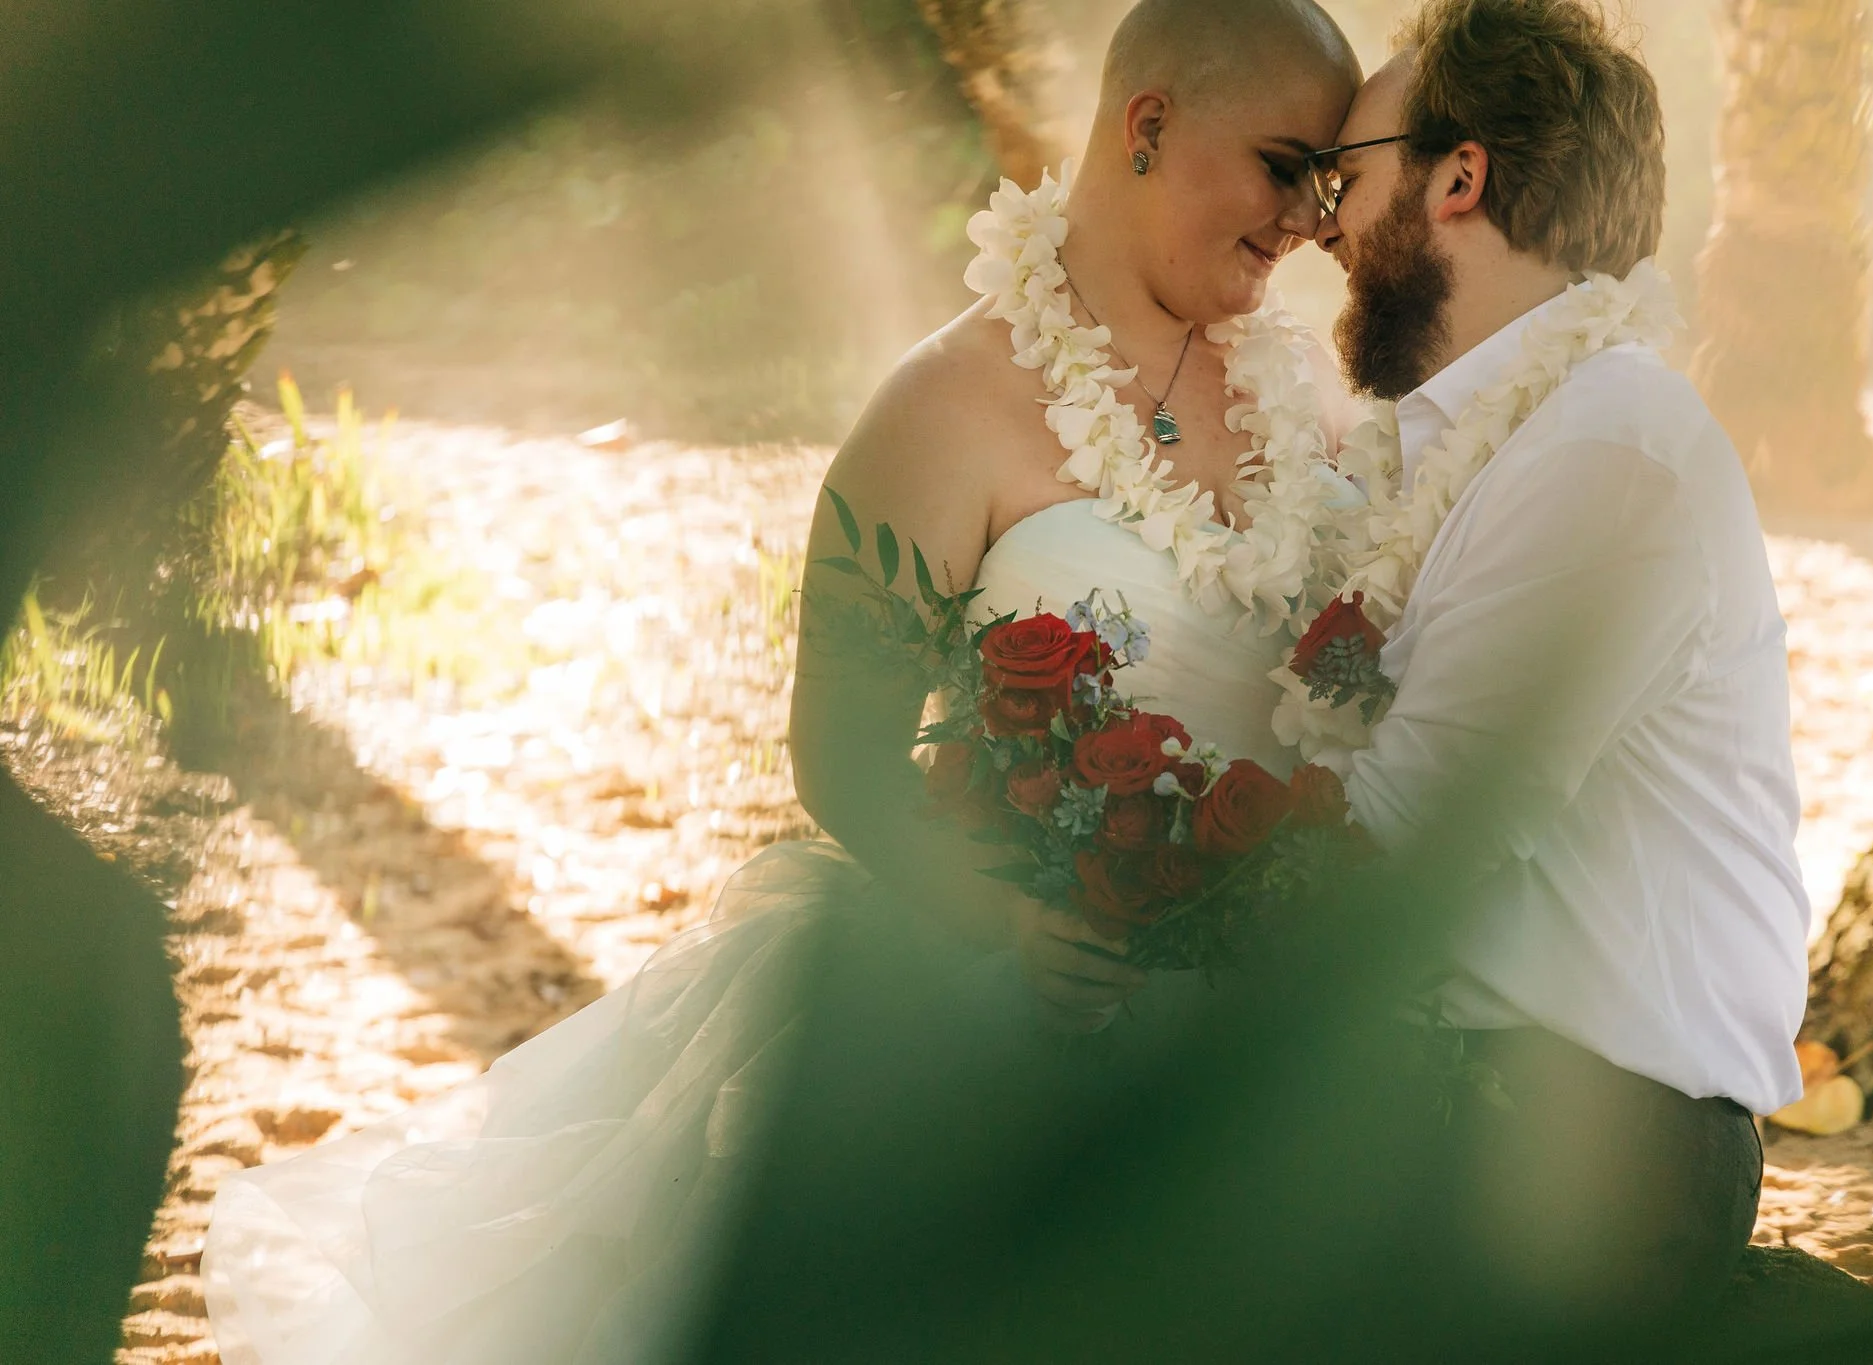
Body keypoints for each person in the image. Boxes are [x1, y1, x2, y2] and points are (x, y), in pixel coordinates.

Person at [198, 3, 1363, 1360]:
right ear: (1148, 123)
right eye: (1286, 166)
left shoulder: (1323, 406)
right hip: (1013, 1015)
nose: (1309, 220)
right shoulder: (944, 410)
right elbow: (846, 753)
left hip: (1262, 1045)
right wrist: (1013, 923)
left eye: (1330, 184)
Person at [1306, 0, 1807, 1322]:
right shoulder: (1483, 446)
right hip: (1471, 1096)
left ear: (1458, 174)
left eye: (1342, 178)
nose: (1320, 226)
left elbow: (1399, 846)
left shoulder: (1609, 447)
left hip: (1591, 1141)